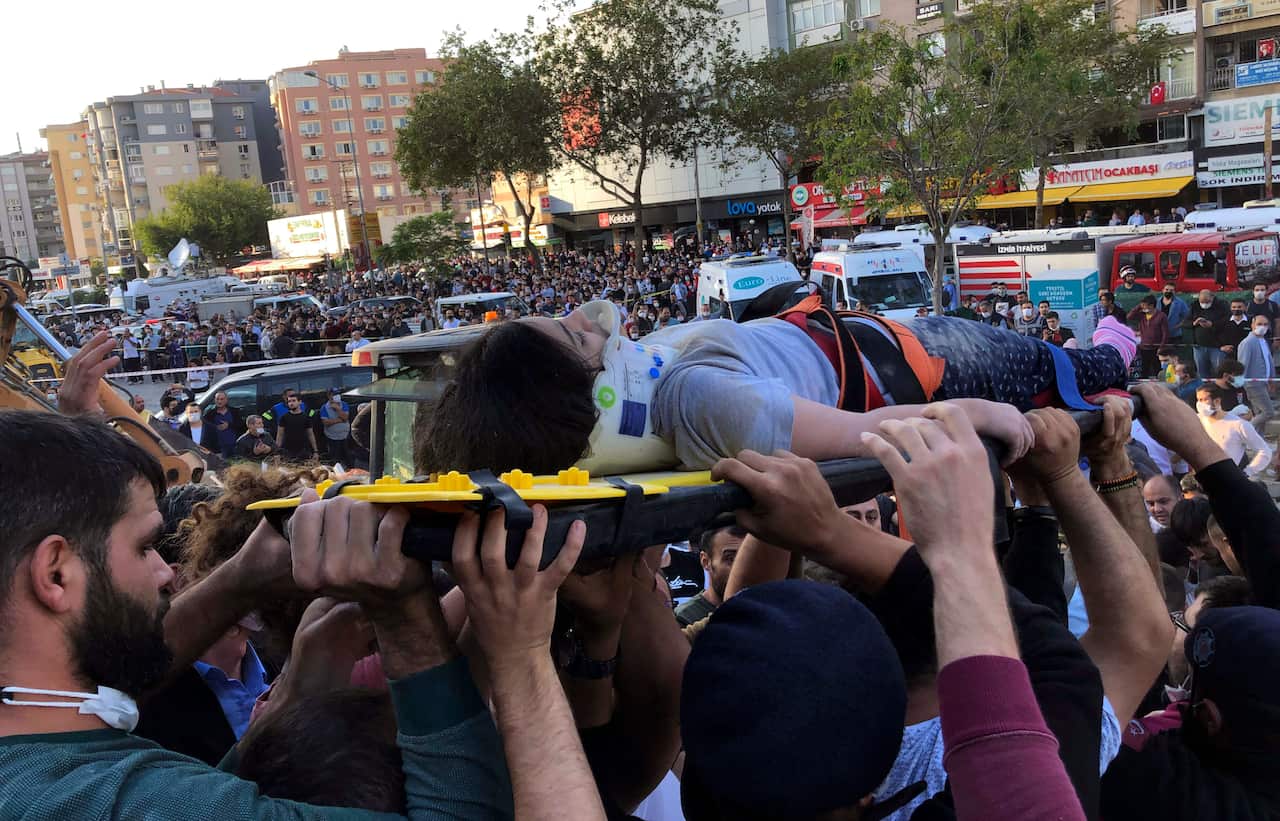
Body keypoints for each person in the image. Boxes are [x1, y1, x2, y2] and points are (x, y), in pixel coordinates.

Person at [0, 409, 535, 820]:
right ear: (55, 574)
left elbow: (204, 795)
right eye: (144, 548)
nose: (165, 573)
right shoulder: (106, 799)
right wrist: (406, 616)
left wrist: (295, 686)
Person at [414, 296, 1140, 475]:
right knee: (1078, 370)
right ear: (593, 392)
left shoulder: (671, 392)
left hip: (864, 335)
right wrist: (977, 409)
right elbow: (871, 433)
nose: (594, 321)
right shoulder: (697, 400)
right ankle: (1120, 346)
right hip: (915, 362)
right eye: (578, 335)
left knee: (1071, 361)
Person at [673, 516, 742, 628]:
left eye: (748, 559)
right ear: (705, 561)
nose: (741, 568)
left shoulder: (767, 607)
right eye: (730, 558)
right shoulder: (685, 618)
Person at [1194, 384, 1273, 478]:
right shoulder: (1196, 420)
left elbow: (1265, 451)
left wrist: (1247, 472)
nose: (1200, 404)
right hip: (1203, 478)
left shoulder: (1238, 425)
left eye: (1205, 399)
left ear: (1217, 401)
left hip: (1229, 480)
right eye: (1199, 400)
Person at [1237, 314, 1275, 435]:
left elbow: (1268, 362)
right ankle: (1246, 431)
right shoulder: (1247, 343)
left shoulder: (1263, 341)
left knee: (1260, 414)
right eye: (1259, 324)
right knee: (1268, 412)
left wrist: (1271, 379)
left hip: (1263, 383)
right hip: (1253, 384)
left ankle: (1258, 441)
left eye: (1265, 324)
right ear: (1252, 325)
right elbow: (1242, 364)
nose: (1262, 327)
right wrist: (1243, 383)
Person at [1186, 290, 1229, 379]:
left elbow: (1227, 322)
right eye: (1202, 302)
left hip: (1217, 346)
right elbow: (1185, 322)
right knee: (1202, 373)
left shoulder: (1222, 306)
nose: (1204, 304)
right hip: (1199, 346)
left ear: (1212, 298)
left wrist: (1212, 324)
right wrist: (1194, 323)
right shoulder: (1194, 306)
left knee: (1219, 372)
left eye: (1207, 302)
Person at [1128, 295, 1170, 377]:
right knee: (1144, 370)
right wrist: (1138, 306)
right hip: (1144, 347)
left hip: (1156, 348)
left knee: (1157, 370)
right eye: (1142, 305)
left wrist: (1162, 347)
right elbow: (1129, 316)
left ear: (1151, 305)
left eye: (1144, 305)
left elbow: (1165, 333)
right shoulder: (1141, 315)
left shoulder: (1161, 316)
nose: (1142, 307)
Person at [276, 392, 320, 463]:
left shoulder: (306, 417)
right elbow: (279, 435)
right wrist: (276, 453)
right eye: (289, 401)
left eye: (293, 401)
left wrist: (315, 451)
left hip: (304, 451)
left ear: (299, 402)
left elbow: (311, 435)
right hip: (288, 452)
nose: (291, 403)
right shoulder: (284, 418)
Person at [203, 391, 243, 460]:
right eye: (217, 399)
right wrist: (215, 427)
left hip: (235, 446)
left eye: (222, 399)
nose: (219, 401)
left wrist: (229, 425)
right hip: (220, 449)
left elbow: (241, 425)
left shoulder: (234, 411)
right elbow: (205, 427)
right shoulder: (210, 414)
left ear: (226, 400)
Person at [319, 388, 352, 466]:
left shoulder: (344, 404)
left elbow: (345, 417)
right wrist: (340, 420)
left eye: (337, 394)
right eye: (334, 394)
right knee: (335, 459)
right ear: (329, 396)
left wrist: (338, 409)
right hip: (332, 438)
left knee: (349, 457)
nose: (337, 396)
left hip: (345, 436)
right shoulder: (324, 408)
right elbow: (326, 422)